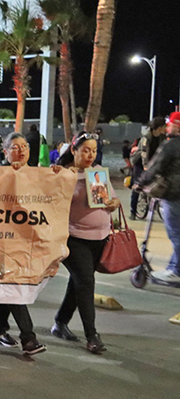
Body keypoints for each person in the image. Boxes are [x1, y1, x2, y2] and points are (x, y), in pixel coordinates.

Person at [52, 131, 119, 354]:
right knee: (86, 283)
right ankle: (92, 335)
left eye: (94, 150)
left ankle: (60, 323)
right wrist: (63, 180)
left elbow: (113, 197)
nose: (90, 155)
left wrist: (113, 203)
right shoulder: (62, 174)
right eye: (85, 150)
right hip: (74, 238)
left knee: (79, 282)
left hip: (100, 238)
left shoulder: (97, 173)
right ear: (74, 150)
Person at [0, 132, 50, 355]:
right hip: (1, 241)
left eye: (24, 146)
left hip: (25, 240)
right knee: (13, 285)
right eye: (15, 147)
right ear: (5, 152)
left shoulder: (36, 175)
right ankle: (28, 338)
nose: (22, 150)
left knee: (10, 285)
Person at [140, 112, 180, 283]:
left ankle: (176, 271)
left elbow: (155, 166)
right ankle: (174, 266)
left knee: (176, 233)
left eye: (170, 124)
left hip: (174, 194)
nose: (167, 127)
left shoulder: (171, 145)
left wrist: (140, 182)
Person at [131, 117, 166, 219]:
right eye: (164, 126)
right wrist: (145, 167)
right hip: (139, 163)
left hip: (152, 163)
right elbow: (144, 153)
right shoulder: (146, 138)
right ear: (159, 127)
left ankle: (152, 207)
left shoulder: (162, 137)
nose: (165, 128)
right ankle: (133, 211)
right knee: (137, 186)